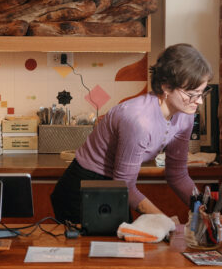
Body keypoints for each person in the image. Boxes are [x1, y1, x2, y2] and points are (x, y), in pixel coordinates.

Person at [51, 43, 212, 226]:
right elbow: (125, 184)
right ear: (166, 87)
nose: (198, 101)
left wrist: (205, 211)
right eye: (192, 94)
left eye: (202, 93)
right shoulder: (138, 120)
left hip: (115, 186)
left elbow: (178, 174)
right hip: (83, 187)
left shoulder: (185, 116)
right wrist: (166, 223)